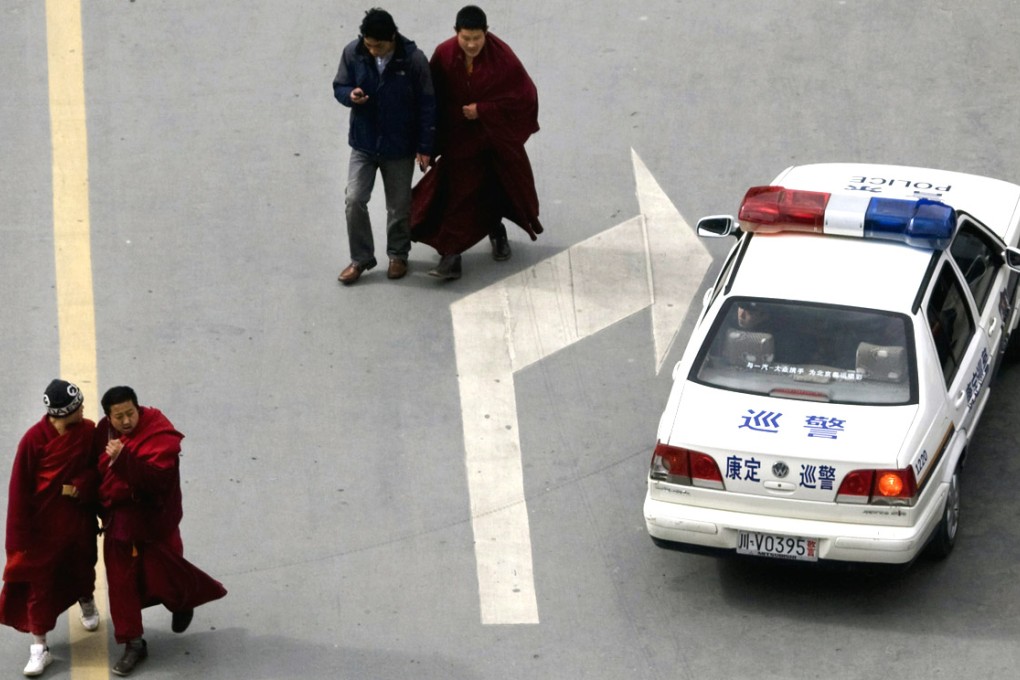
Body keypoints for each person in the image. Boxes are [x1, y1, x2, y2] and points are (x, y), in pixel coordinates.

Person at [95, 386, 226, 676]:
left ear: (139, 408)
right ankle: (133, 643)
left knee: (166, 572)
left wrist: (124, 461)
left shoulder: (159, 433)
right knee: (121, 584)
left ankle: (182, 602)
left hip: (155, 523)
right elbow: (94, 471)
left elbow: (158, 481)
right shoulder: (104, 433)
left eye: (131, 413)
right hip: (120, 524)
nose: (127, 421)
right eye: (119, 417)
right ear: (108, 417)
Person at [410, 5, 543, 280]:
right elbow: (431, 99)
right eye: (465, 38)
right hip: (459, 140)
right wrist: (426, 145)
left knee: (495, 189)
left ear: (486, 33)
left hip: (493, 140)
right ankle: (451, 255)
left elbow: (524, 97)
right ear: (456, 33)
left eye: (477, 38)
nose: (471, 45)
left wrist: (483, 109)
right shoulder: (444, 54)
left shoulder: (503, 58)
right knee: (457, 194)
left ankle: (496, 231)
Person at [0, 380, 100, 677]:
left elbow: (98, 468)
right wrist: (18, 539)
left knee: (82, 567)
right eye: (78, 406)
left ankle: (87, 601)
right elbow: (19, 490)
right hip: (43, 530)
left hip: (77, 520)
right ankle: (39, 647)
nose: (83, 409)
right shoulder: (33, 440)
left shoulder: (88, 432)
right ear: (64, 412)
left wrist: (82, 486)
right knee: (39, 586)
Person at [333, 7, 436, 284]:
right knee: (354, 199)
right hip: (364, 144)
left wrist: (425, 147)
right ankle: (361, 258)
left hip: (399, 147)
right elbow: (340, 85)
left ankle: (398, 254)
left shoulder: (413, 60)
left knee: (399, 207)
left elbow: (427, 105)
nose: (373, 50)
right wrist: (349, 95)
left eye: (378, 46)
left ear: (392, 38)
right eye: (368, 44)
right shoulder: (353, 52)